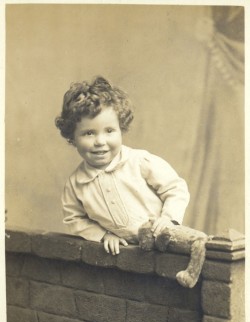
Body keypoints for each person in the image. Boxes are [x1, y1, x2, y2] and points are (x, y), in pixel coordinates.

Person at [55, 76, 190, 255]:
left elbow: (176, 188)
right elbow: (74, 219)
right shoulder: (76, 184)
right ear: (72, 137)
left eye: (109, 131)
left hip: (164, 242)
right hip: (126, 254)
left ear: (121, 129)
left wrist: (168, 219)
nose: (100, 141)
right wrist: (103, 235)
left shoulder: (139, 161)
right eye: (89, 133)